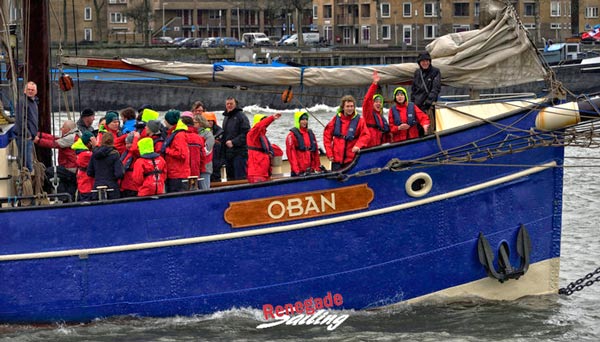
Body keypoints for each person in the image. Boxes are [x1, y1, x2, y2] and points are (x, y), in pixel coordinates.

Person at [323, 95, 371, 171]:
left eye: (352, 106)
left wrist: (358, 145)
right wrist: (329, 153)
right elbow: (327, 136)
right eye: (347, 106)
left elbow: (366, 135)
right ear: (343, 107)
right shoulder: (336, 120)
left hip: (351, 159)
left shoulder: (360, 121)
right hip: (336, 158)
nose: (350, 108)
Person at [35, 119, 80, 196]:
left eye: (63, 127)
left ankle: (61, 196)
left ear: (68, 129)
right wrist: (40, 135)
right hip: (69, 167)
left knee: (48, 172)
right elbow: (54, 138)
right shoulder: (72, 135)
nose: (60, 129)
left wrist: (38, 141)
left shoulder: (71, 138)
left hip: (70, 168)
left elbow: (54, 144)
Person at [87, 132, 124, 200]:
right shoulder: (114, 154)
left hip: (97, 187)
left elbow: (89, 172)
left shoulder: (94, 155)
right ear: (113, 141)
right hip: (112, 187)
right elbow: (119, 173)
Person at [246, 113, 281, 183]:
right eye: (263, 121)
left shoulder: (263, 136)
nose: (265, 125)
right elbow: (259, 126)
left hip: (264, 171)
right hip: (256, 172)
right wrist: (271, 118)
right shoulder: (252, 134)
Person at [221, 97, 250, 180]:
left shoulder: (241, 116)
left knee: (240, 177)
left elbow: (246, 133)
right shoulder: (226, 117)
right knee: (230, 178)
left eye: (231, 104)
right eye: (227, 104)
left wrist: (234, 142)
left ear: (235, 104)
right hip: (228, 153)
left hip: (239, 153)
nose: (229, 105)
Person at [411, 51, 441, 133]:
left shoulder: (435, 71)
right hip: (417, 107)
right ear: (419, 62)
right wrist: (412, 103)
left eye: (427, 61)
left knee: (430, 129)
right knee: (417, 130)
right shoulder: (417, 73)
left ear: (430, 61)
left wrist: (428, 102)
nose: (425, 63)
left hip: (428, 107)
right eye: (423, 61)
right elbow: (413, 89)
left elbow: (436, 88)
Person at [161, 109, 190, 193]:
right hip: (174, 173)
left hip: (178, 175)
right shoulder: (173, 133)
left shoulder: (178, 135)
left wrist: (167, 150)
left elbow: (182, 154)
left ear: (169, 121)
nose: (164, 122)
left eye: (165, 120)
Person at [13, 81, 39, 172]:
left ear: (36, 92)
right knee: (27, 165)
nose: (30, 91)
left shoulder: (33, 102)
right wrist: (28, 134)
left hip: (30, 137)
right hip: (24, 138)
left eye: (32, 90)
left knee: (28, 162)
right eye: (28, 89)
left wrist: (34, 133)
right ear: (24, 91)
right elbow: (21, 119)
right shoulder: (23, 102)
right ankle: (26, 183)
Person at [285, 111, 321, 177]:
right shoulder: (292, 135)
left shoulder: (310, 133)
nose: (305, 122)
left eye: (306, 119)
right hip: (299, 171)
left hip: (310, 169)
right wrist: (297, 171)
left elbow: (315, 152)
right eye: (302, 119)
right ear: (298, 121)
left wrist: (318, 167)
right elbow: (291, 155)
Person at [362, 70, 390, 147]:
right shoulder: (369, 114)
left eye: (380, 102)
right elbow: (367, 100)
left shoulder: (381, 118)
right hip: (369, 146)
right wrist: (374, 84)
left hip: (378, 146)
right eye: (376, 101)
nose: (378, 103)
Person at [180, 111, 206, 188]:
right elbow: (203, 156)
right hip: (195, 172)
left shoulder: (180, 136)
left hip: (183, 172)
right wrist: (201, 169)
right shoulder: (198, 137)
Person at [71, 131, 96, 201]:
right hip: (87, 186)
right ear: (89, 143)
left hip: (83, 185)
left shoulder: (80, 153)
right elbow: (98, 155)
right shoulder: (86, 155)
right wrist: (96, 145)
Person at [203, 111, 224, 183]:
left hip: (216, 163)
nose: (209, 122)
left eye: (211, 120)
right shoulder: (201, 133)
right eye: (207, 120)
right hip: (206, 163)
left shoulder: (220, 133)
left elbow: (223, 149)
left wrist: (221, 162)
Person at [194, 114, 214, 189]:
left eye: (194, 122)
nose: (192, 124)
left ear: (200, 123)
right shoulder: (193, 134)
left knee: (205, 188)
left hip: (205, 167)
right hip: (195, 167)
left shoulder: (208, 134)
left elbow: (207, 150)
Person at [119, 132, 140, 198]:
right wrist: (126, 135)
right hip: (124, 185)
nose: (128, 145)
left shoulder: (136, 153)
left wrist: (136, 138)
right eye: (127, 143)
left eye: (130, 143)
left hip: (132, 186)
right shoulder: (125, 152)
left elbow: (134, 149)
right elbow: (116, 143)